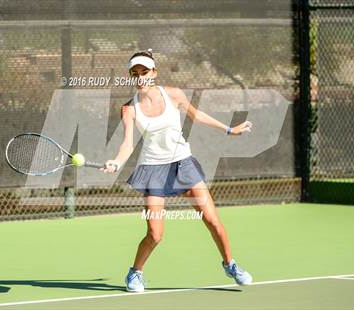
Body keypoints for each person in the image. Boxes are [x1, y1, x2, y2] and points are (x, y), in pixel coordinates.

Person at [102, 49, 253, 293]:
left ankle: (230, 264)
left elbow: (197, 115)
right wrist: (117, 162)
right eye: (135, 74)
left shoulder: (173, 94)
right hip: (153, 170)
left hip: (183, 164)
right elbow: (128, 143)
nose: (140, 78)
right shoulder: (129, 109)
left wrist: (229, 129)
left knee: (212, 220)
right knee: (155, 233)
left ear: (154, 73)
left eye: (144, 72)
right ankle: (135, 273)